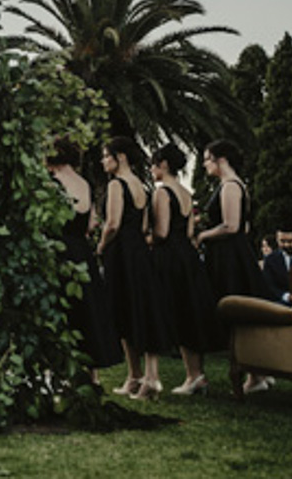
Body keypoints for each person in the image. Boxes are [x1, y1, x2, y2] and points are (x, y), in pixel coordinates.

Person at [97, 136, 172, 401]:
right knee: (142, 309)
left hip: (120, 253)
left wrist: (100, 246)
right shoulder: (142, 185)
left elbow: (113, 223)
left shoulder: (117, 185)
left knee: (123, 310)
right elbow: (143, 227)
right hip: (139, 251)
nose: (103, 160)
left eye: (107, 155)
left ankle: (140, 376)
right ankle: (141, 377)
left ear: (121, 157)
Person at [195, 139, 272, 394]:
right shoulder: (237, 185)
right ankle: (256, 374)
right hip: (234, 254)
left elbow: (232, 225)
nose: (205, 164)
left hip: (230, 258)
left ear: (221, 160)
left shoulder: (230, 186)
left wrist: (202, 236)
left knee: (236, 314)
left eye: (207, 159)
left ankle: (254, 377)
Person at [148, 143, 222, 396]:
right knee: (190, 311)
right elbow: (189, 231)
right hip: (187, 255)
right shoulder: (186, 193)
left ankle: (192, 376)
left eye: (153, 163)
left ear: (164, 165)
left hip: (169, 256)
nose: (151, 169)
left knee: (177, 312)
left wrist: (145, 238)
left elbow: (162, 232)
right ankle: (197, 374)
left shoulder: (161, 193)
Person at [46, 137, 121, 383]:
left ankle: (58, 374)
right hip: (82, 252)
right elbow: (91, 224)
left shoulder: (51, 183)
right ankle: (93, 377)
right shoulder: (84, 183)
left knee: (62, 313)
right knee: (87, 312)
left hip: (59, 251)